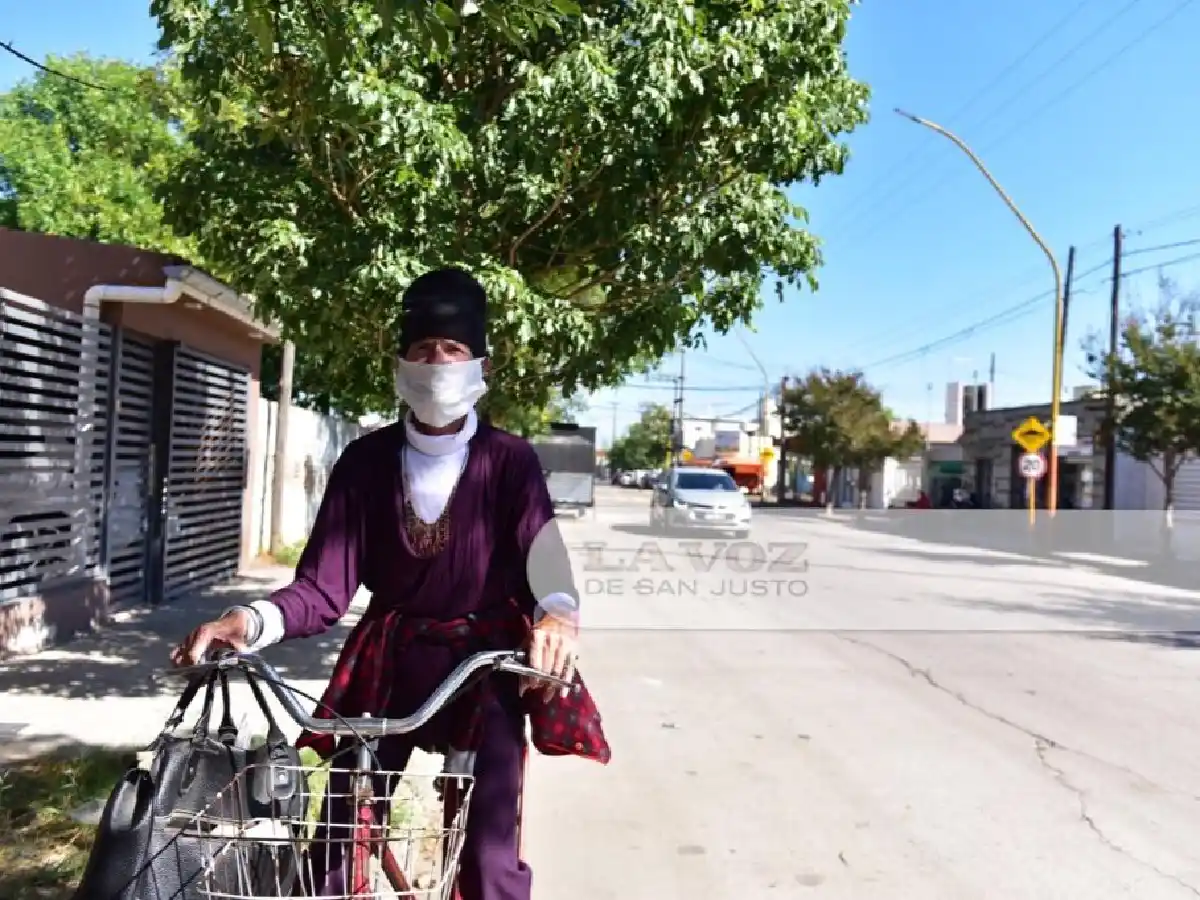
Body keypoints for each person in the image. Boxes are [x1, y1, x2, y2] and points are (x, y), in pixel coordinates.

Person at [172, 267, 610, 900]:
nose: (439, 363)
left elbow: (547, 563)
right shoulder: (365, 463)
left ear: (479, 363)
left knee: (489, 857)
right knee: (335, 845)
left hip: (482, 666)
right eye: (424, 349)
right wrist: (246, 622)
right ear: (402, 360)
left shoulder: (508, 461)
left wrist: (557, 616)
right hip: (388, 661)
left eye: (454, 350)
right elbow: (321, 590)